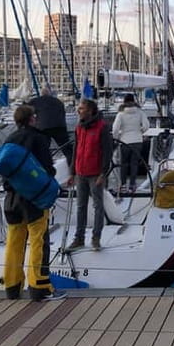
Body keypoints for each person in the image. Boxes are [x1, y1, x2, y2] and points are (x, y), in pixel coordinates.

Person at [2, 104, 66, 301]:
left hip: (11, 198)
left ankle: (12, 286)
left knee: (14, 243)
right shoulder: (39, 138)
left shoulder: (10, 139)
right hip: (34, 199)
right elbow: (47, 168)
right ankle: (40, 287)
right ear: (32, 119)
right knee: (38, 241)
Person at [66, 99, 112, 252]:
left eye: (81, 108)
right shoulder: (79, 127)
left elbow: (107, 151)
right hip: (80, 173)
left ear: (90, 110)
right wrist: (72, 172)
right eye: (78, 108)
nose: (78, 110)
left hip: (95, 174)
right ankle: (79, 238)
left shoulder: (102, 128)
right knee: (80, 206)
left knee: (98, 206)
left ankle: (96, 237)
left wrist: (103, 173)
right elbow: (75, 150)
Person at [112, 93, 148, 191]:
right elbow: (146, 126)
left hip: (125, 141)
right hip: (137, 140)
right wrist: (140, 132)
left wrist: (116, 138)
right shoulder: (140, 112)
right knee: (134, 163)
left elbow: (115, 129)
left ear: (124, 101)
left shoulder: (120, 114)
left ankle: (123, 184)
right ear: (134, 101)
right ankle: (132, 184)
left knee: (124, 163)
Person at [28, 86, 71, 161]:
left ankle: (45, 165)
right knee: (67, 149)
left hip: (43, 127)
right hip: (59, 126)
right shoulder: (58, 101)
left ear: (41, 94)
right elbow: (63, 114)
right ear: (50, 94)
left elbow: (26, 111)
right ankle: (72, 166)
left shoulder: (35, 101)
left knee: (43, 149)